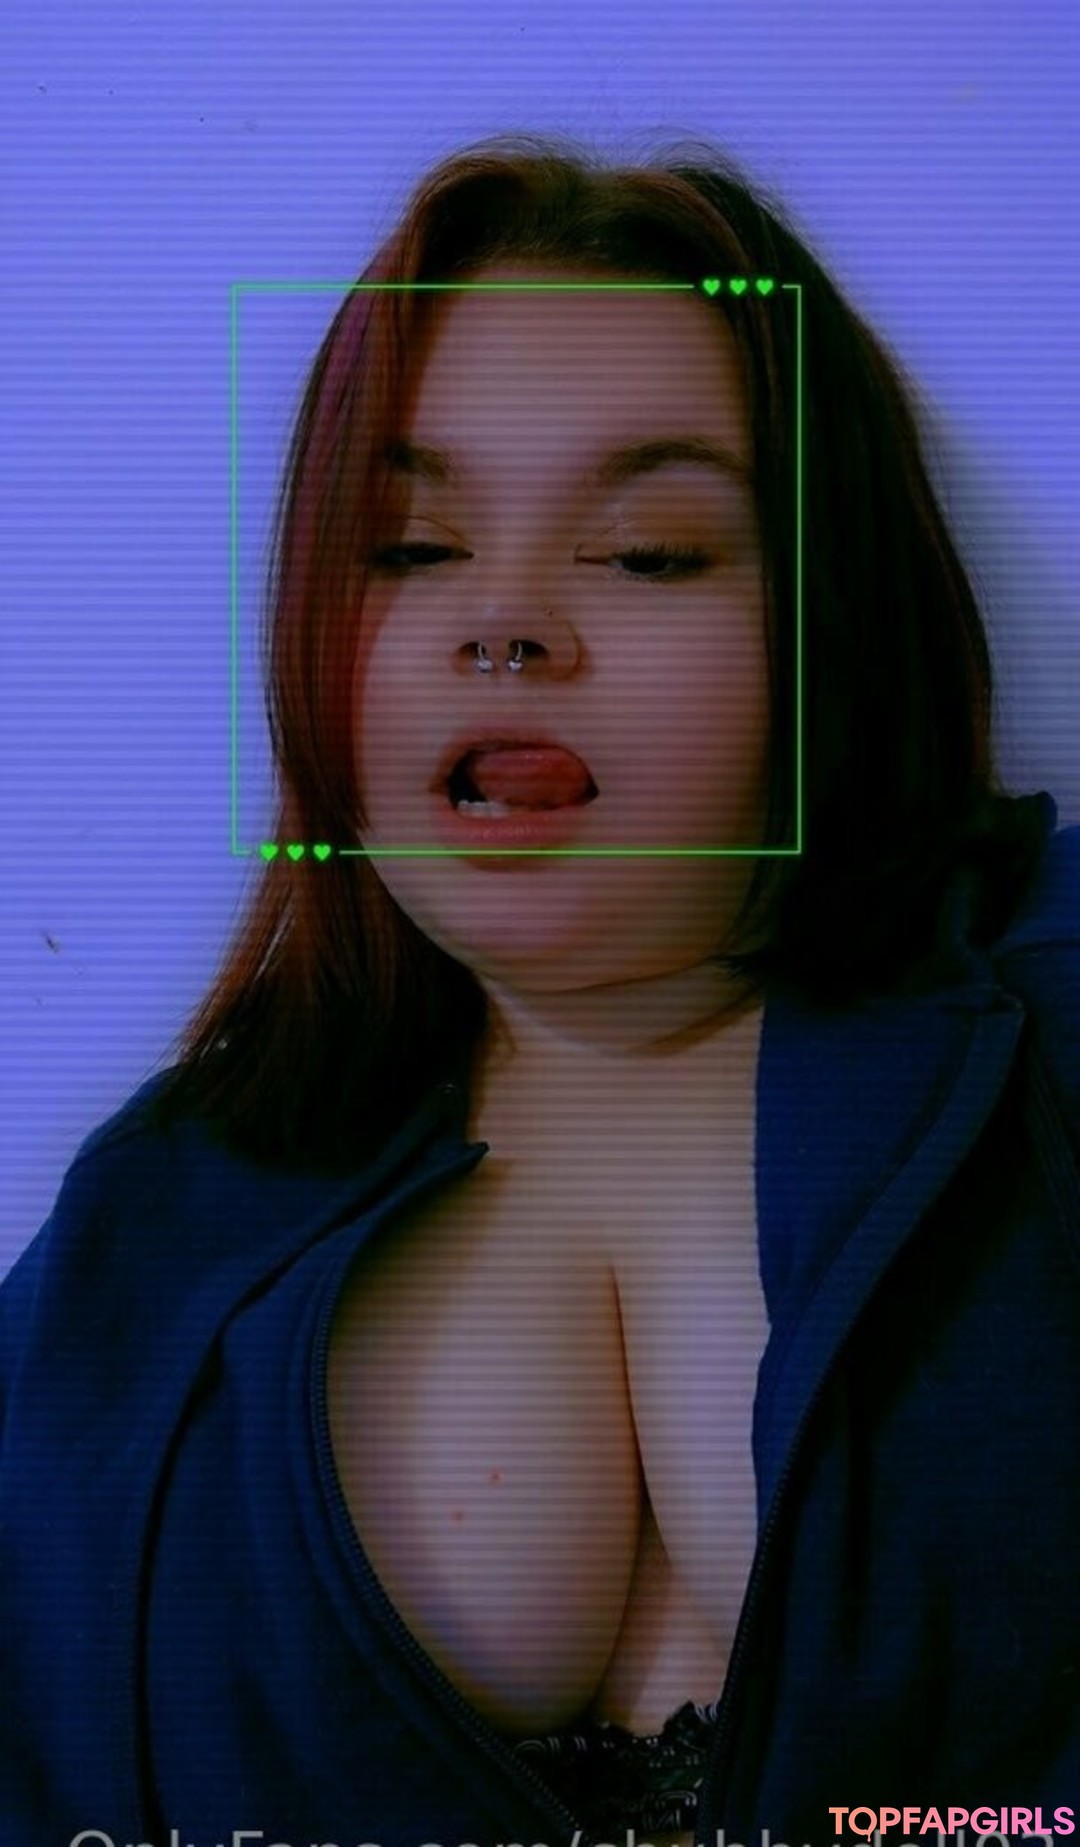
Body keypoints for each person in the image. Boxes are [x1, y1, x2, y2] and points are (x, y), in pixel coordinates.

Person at [2, 130, 1077, 1847]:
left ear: (830, 615)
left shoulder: (1048, 1031)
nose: (504, 625)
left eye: (648, 553)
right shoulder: (143, 1245)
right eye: (412, 548)